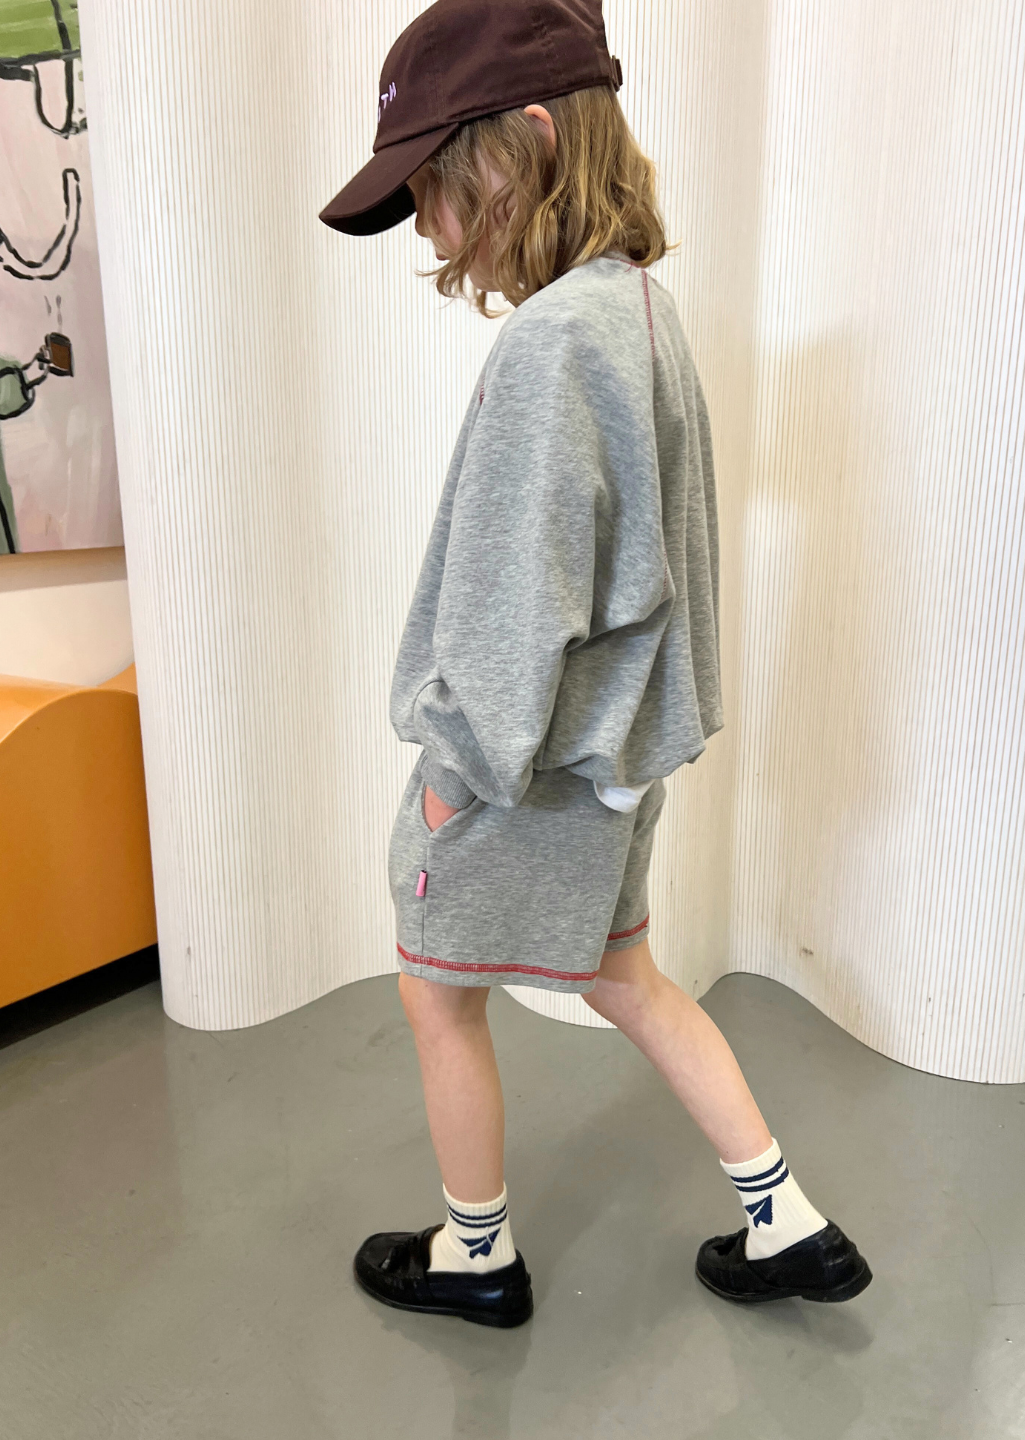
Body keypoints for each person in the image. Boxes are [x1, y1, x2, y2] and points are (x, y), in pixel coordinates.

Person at [320, 0, 872, 1329]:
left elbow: (525, 603)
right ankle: (782, 1215)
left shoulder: (557, 342)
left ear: (519, 142)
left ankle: (475, 1256)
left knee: (434, 988)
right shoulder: (637, 308)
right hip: (618, 760)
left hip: (530, 768)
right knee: (622, 975)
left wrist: (462, 772)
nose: (438, 233)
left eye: (436, 193)